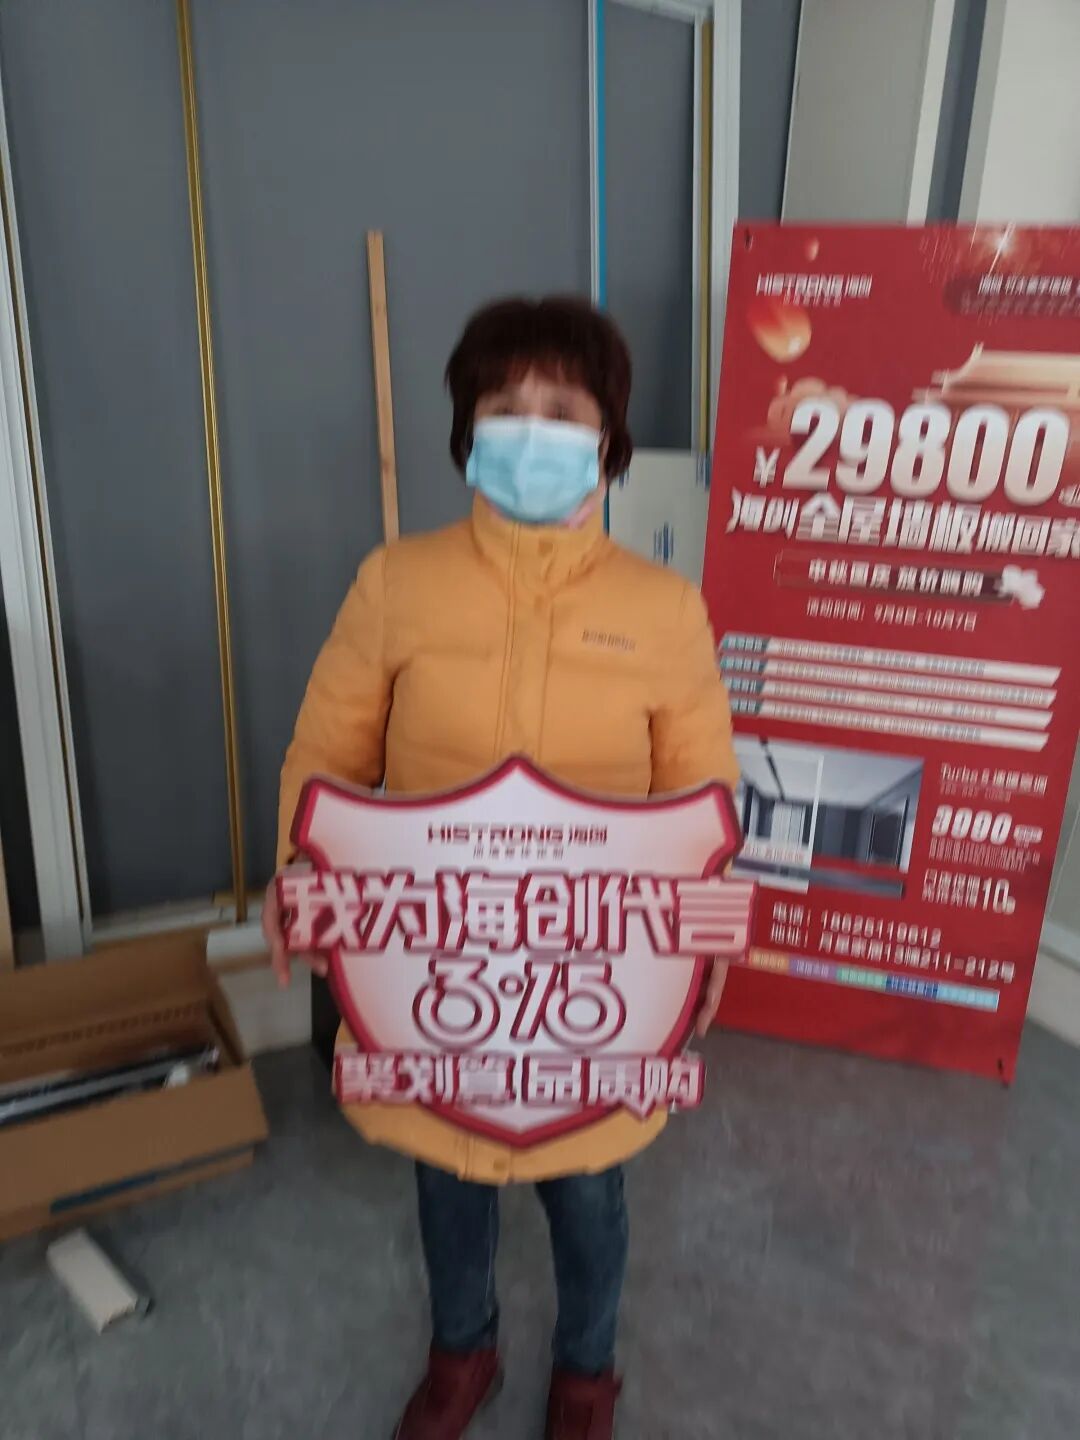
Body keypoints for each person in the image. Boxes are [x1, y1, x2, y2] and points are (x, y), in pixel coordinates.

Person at [263, 296, 739, 1440]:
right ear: (467, 432)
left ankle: (587, 1373)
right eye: (504, 405)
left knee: (589, 1191)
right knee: (448, 1180)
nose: (532, 429)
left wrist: (707, 928)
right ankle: (462, 1353)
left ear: (608, 439)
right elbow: (327, 750)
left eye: (562, 409)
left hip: (596, 974)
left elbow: (702, 789)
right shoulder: (398, 583)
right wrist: (299, 872)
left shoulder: (663, 609)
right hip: (437, 965)